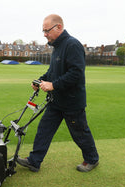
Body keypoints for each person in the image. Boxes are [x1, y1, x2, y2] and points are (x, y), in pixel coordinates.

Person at [17, 14, 99, 172]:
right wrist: (40, 81)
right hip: (56, 101)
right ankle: (34, 161)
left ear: (58, 27)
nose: (44, 34)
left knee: (80, 133)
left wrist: (53, 85)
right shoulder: (57, 47)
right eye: (43, 31)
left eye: (46, 30)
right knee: (44, 130)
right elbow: (53, 71)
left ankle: (92, 159)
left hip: (72, 102)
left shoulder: (72, 45)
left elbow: (76, 73)